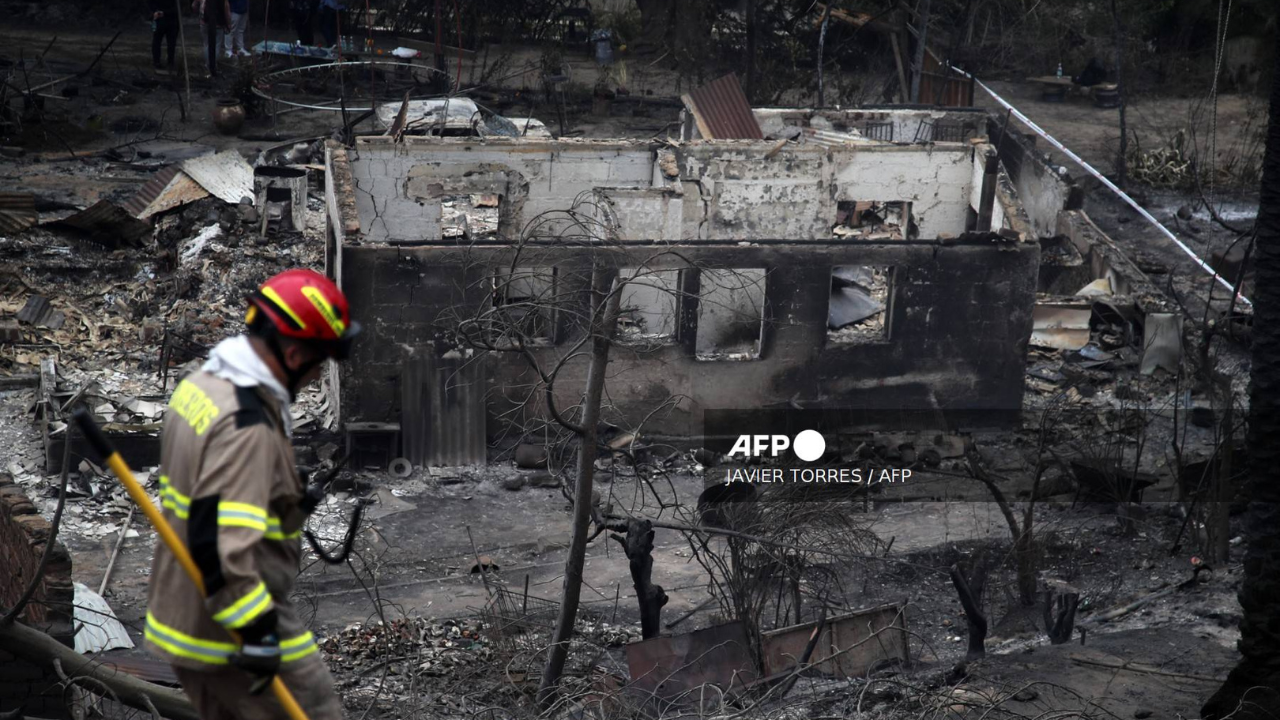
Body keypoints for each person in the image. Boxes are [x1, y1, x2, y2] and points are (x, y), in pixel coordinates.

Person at [144, 270, 359, 720]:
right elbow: (220, 547)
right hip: (232, 631)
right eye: (321, 360)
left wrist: (284, 498)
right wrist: (259, 636)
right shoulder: (248, 429)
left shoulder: (201, 386)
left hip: (184, 613)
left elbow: (203, 501)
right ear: (294, 352)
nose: (321, 372)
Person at [196, 0, 230, 77]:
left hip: (204, 23)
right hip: (217, 23)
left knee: (206, 44)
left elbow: (194, 5)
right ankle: (212, 65)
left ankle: (208, 65)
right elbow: (226, 10)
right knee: (216, 45)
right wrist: (228, 24)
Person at [150, 0, 179, 72]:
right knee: (160, 41)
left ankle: (167, 62)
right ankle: (163, 62)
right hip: (163, 18)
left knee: (168, 42)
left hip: (168, 19)